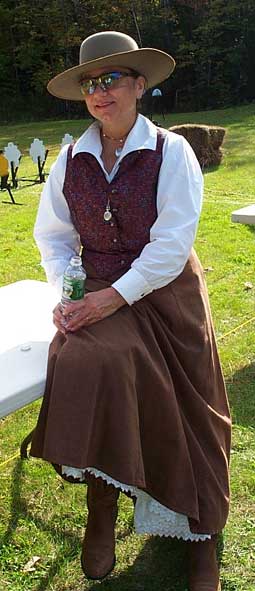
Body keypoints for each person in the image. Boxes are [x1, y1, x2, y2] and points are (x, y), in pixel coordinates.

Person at [31, 31, 231, 590]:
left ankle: (202, 537)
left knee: (194, 414)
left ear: (140, 86)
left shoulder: (173, 151)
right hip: (94, 291)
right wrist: (71, 294)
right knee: (89, 367)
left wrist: (111, 297)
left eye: (112, 78)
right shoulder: (70, 157)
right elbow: (53, 236)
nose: (101, 92)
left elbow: (171, 245)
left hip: (166, 295)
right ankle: (102, 508)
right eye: (91, 83)